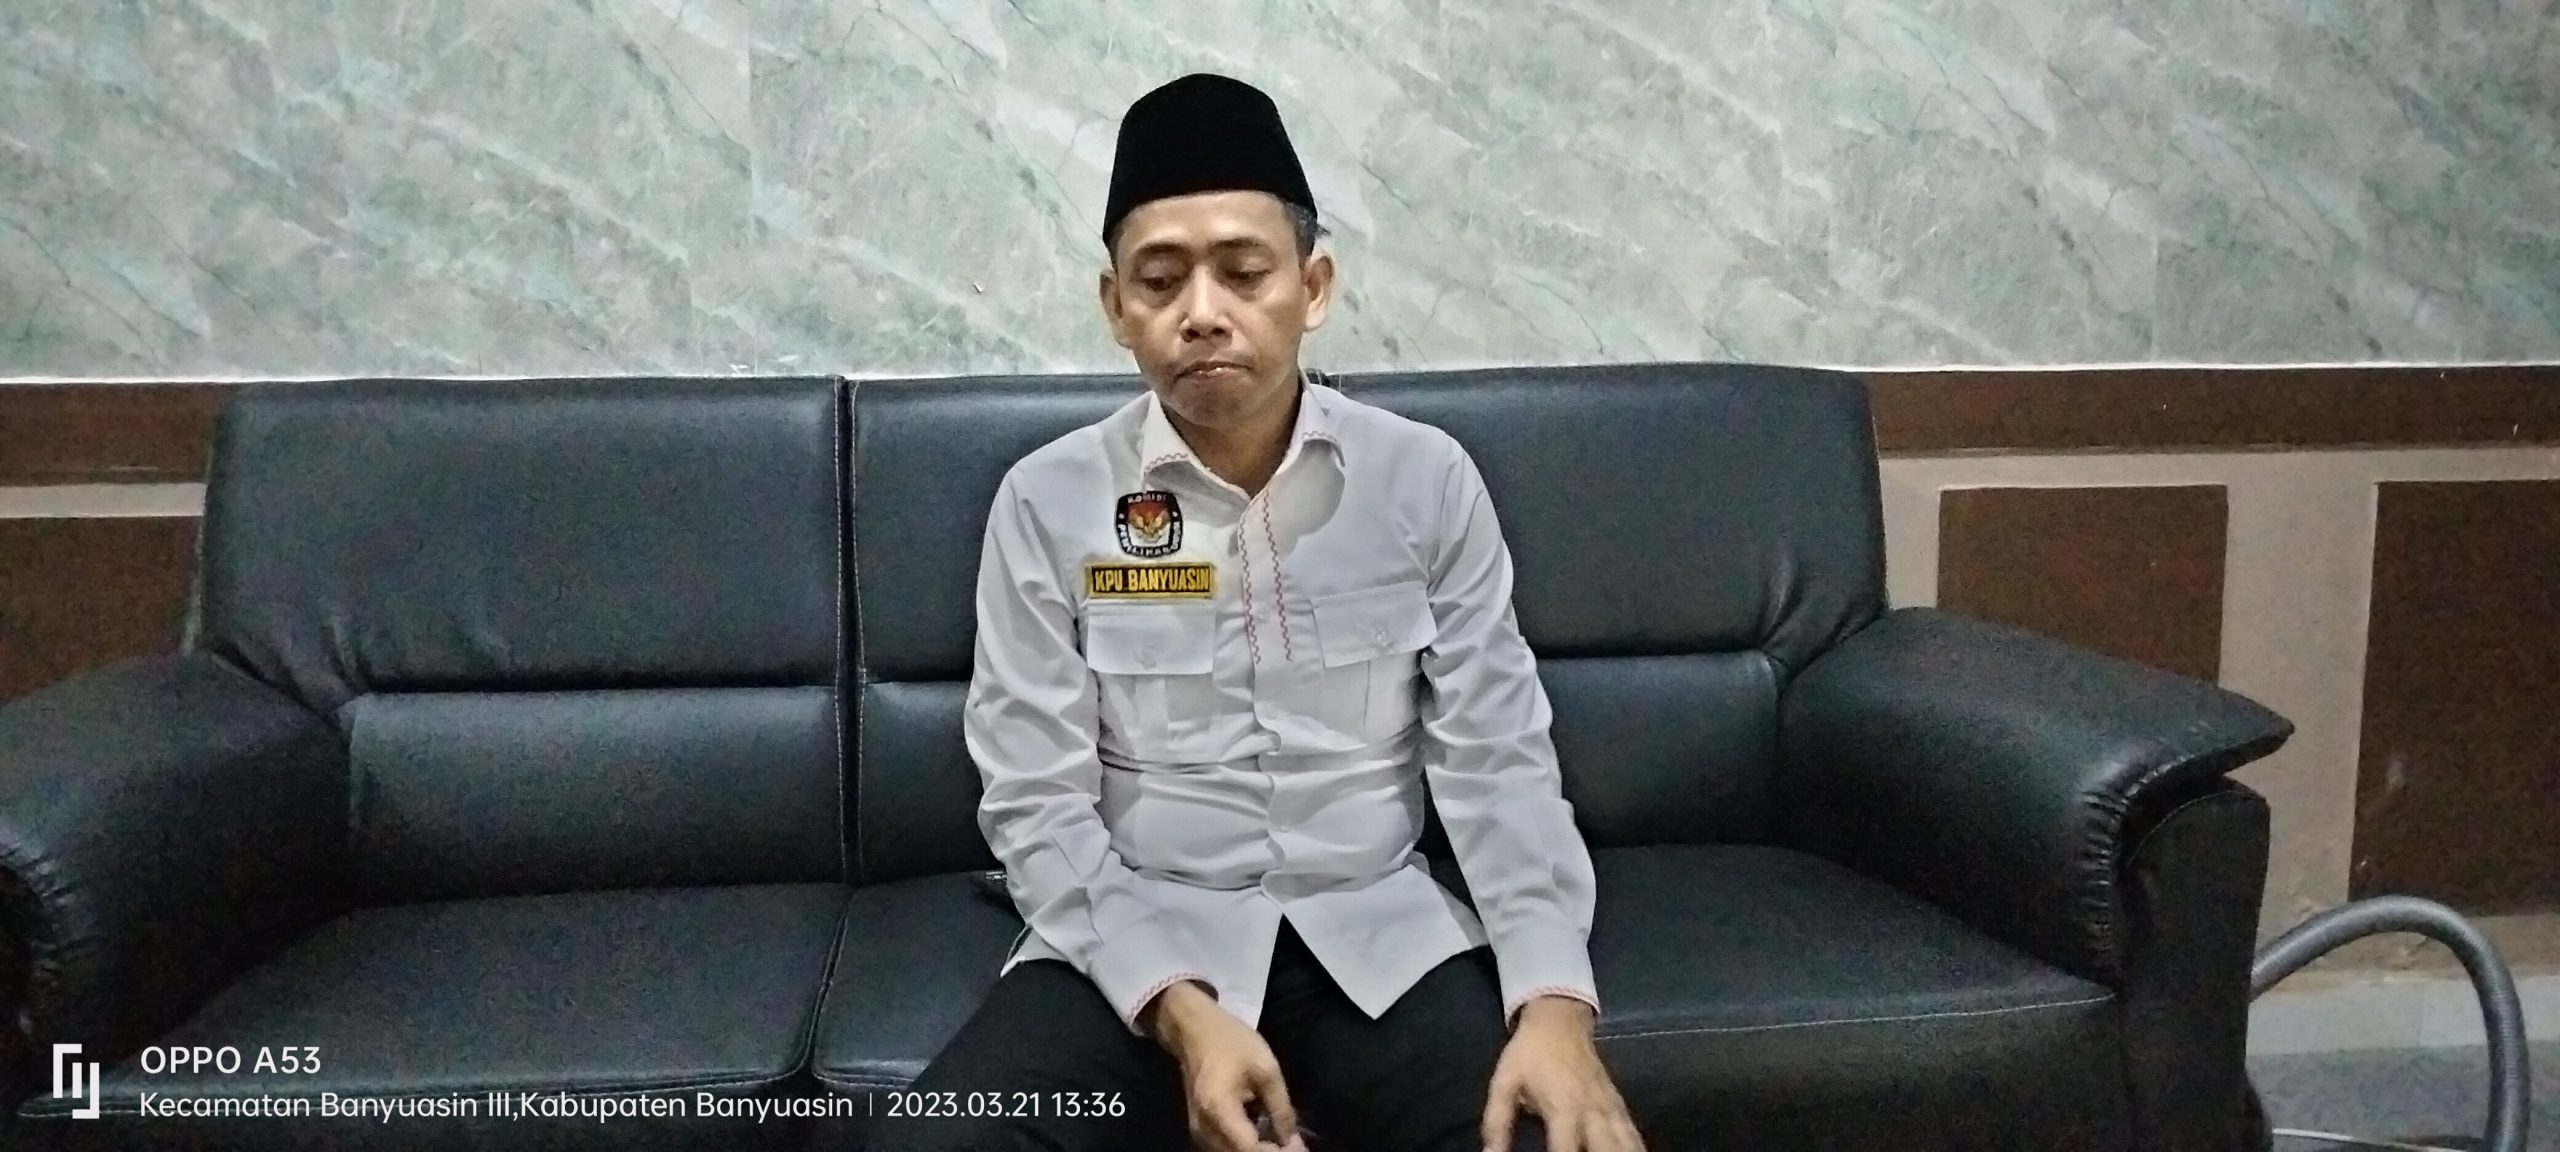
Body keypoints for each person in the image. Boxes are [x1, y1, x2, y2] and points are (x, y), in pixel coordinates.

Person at [871, 72, 1644, 1152]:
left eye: (1243, 272)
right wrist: (1182, 1014)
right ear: (1115, 307)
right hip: (1135, 942)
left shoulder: (1424, 480)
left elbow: (1499, 764)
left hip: (1379, 935)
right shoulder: (1048, 502)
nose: (1201, 312)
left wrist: (1555, 1005)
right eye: (1159, 280)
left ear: (1312, 286)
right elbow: (1035, 800)